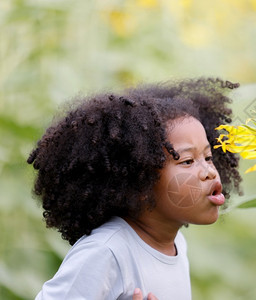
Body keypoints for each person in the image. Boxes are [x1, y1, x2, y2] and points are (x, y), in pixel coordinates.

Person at [27, 78, 242, 300]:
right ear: (140, 183)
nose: (209, 171)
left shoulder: (177, 245)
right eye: (187, 161)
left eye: (208, 157)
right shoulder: (106, 253)